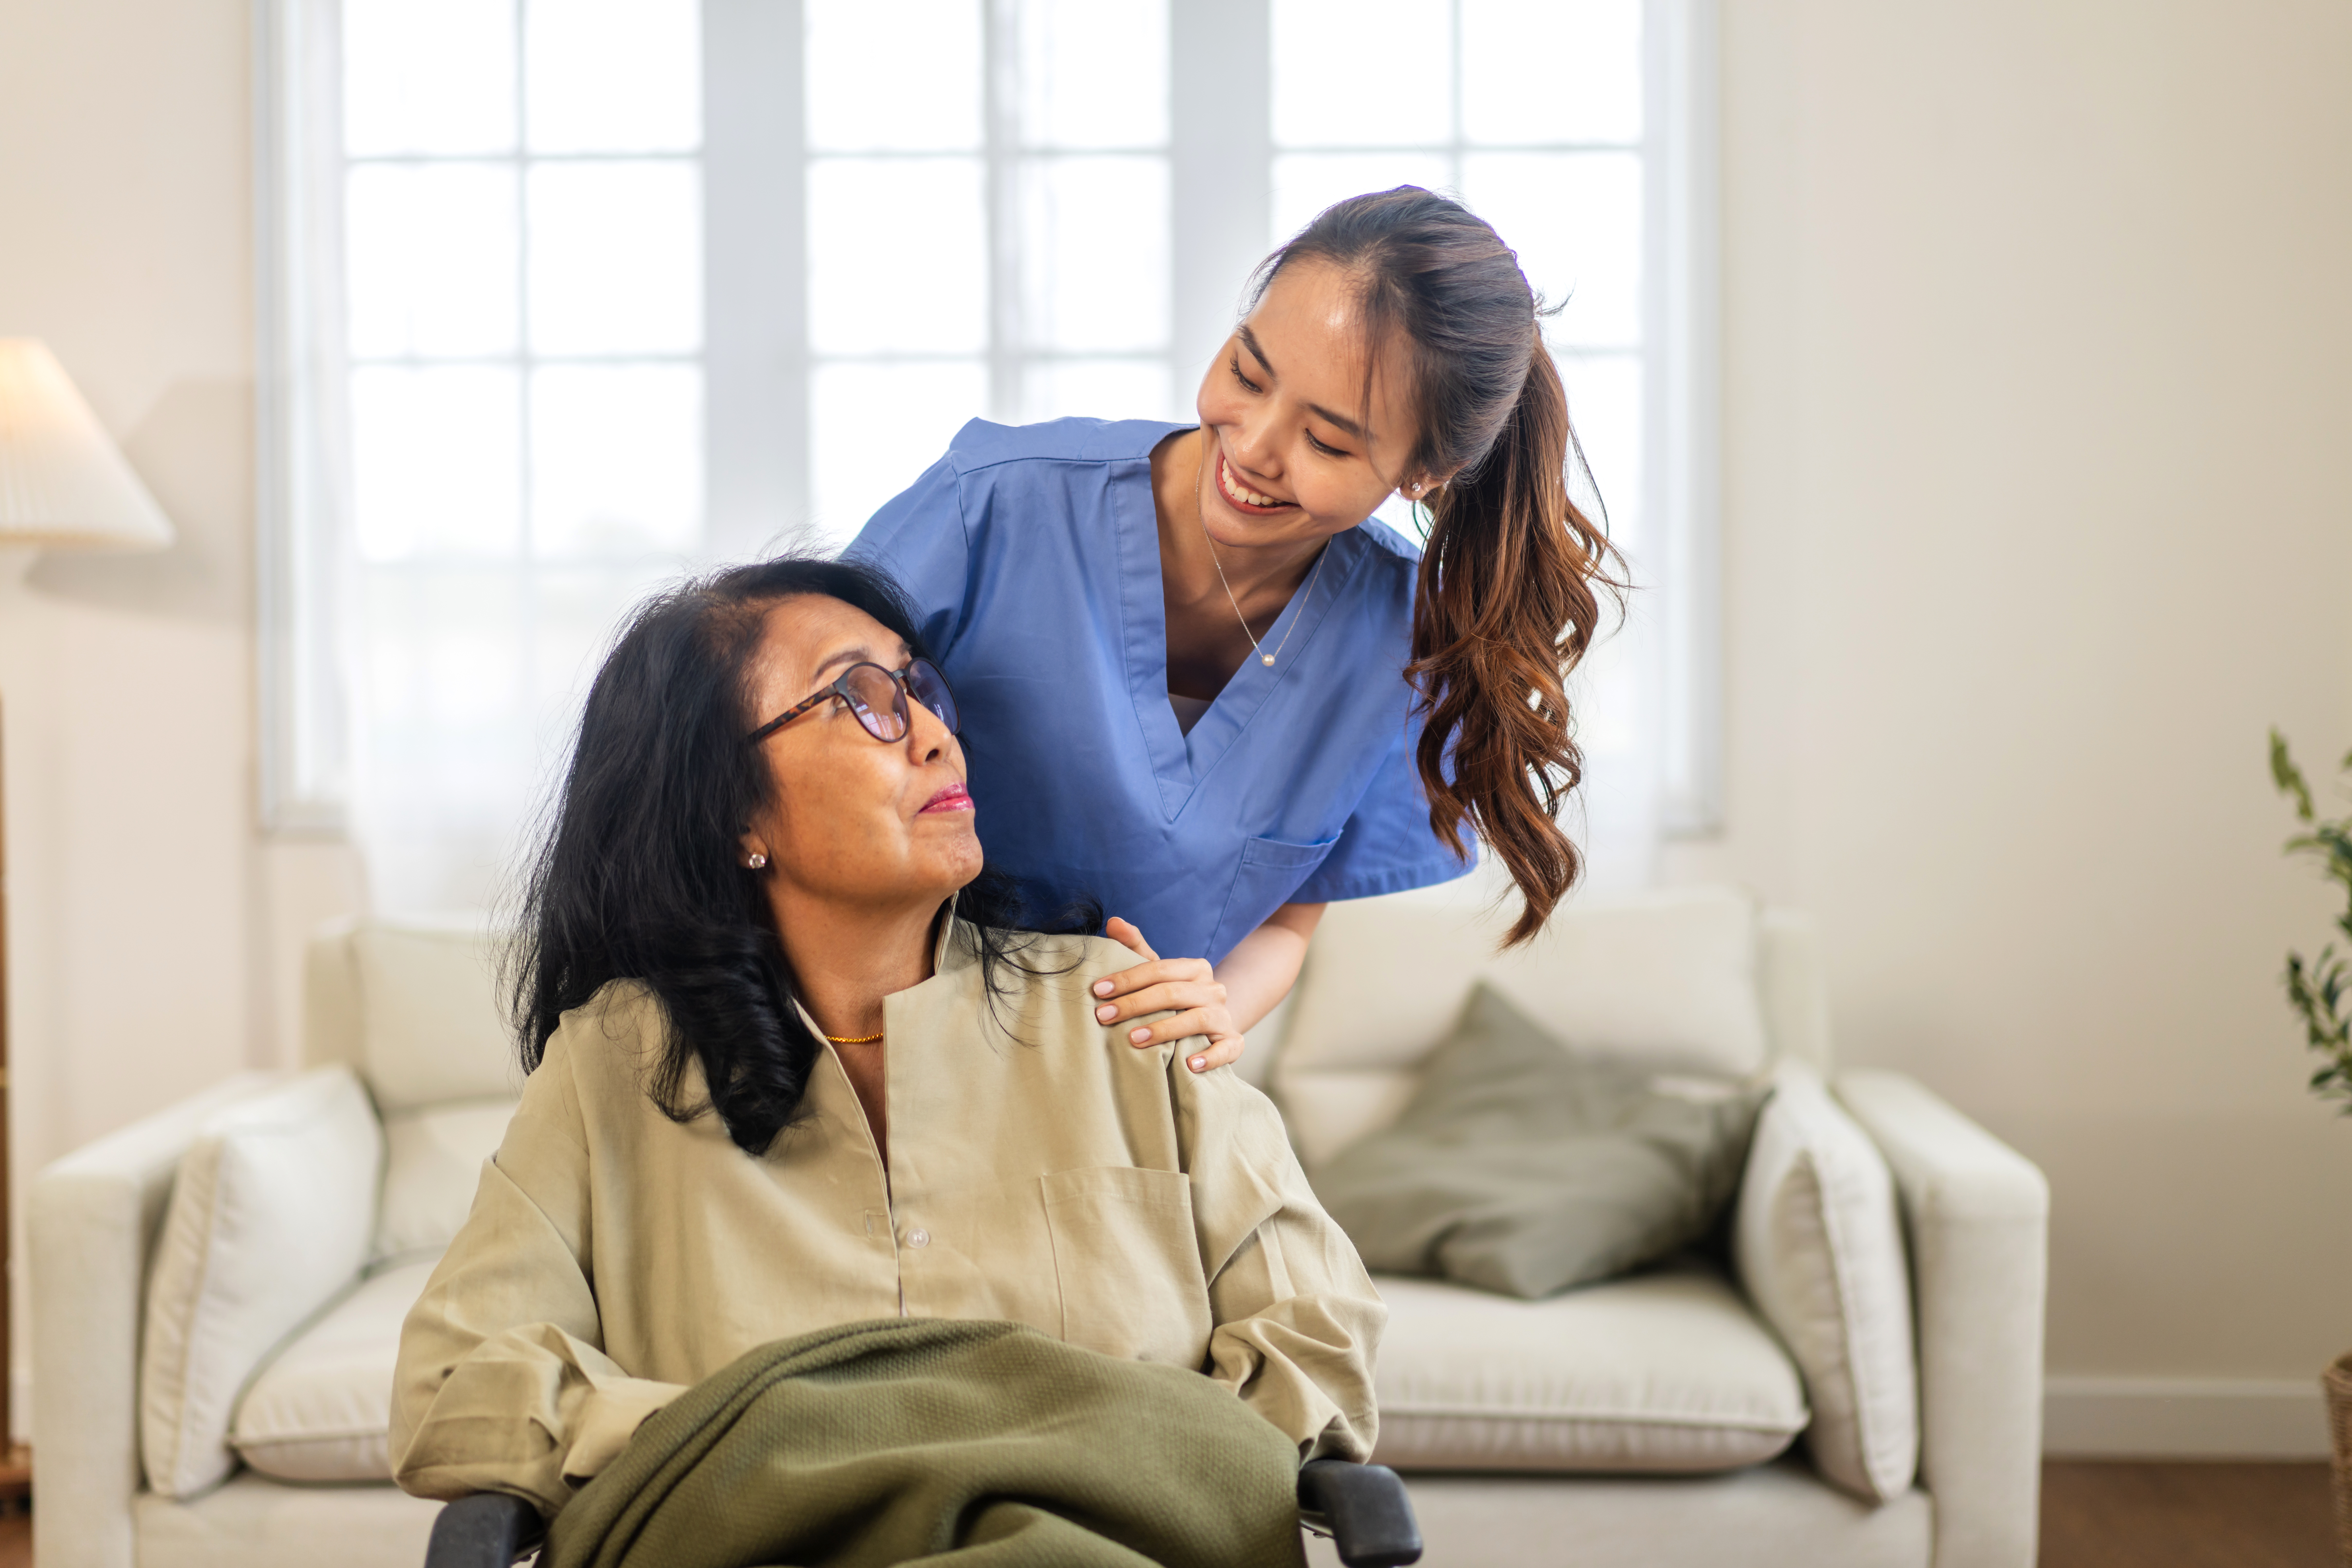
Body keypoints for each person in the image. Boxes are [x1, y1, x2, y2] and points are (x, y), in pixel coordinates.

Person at [388, 557, 1384, 1520]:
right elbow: (451, 1386)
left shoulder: (1120, 1006)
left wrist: (1113, 1470)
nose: (937, 738)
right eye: (863, 699)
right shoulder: (614, 1063)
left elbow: (1321, 1336)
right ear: (734, 810)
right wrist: (761, 1445)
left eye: (923, 689)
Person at [851, 185, 1619, 1081]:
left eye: (1327, 442)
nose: (1252, 446)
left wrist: (1216, 1007)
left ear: (1425, 471)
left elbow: (1288, 914)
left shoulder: (1405, 645)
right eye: (1248, 373)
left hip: (1118, 1092)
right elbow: (787, 737)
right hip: (879, 1048)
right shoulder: (993, 503)